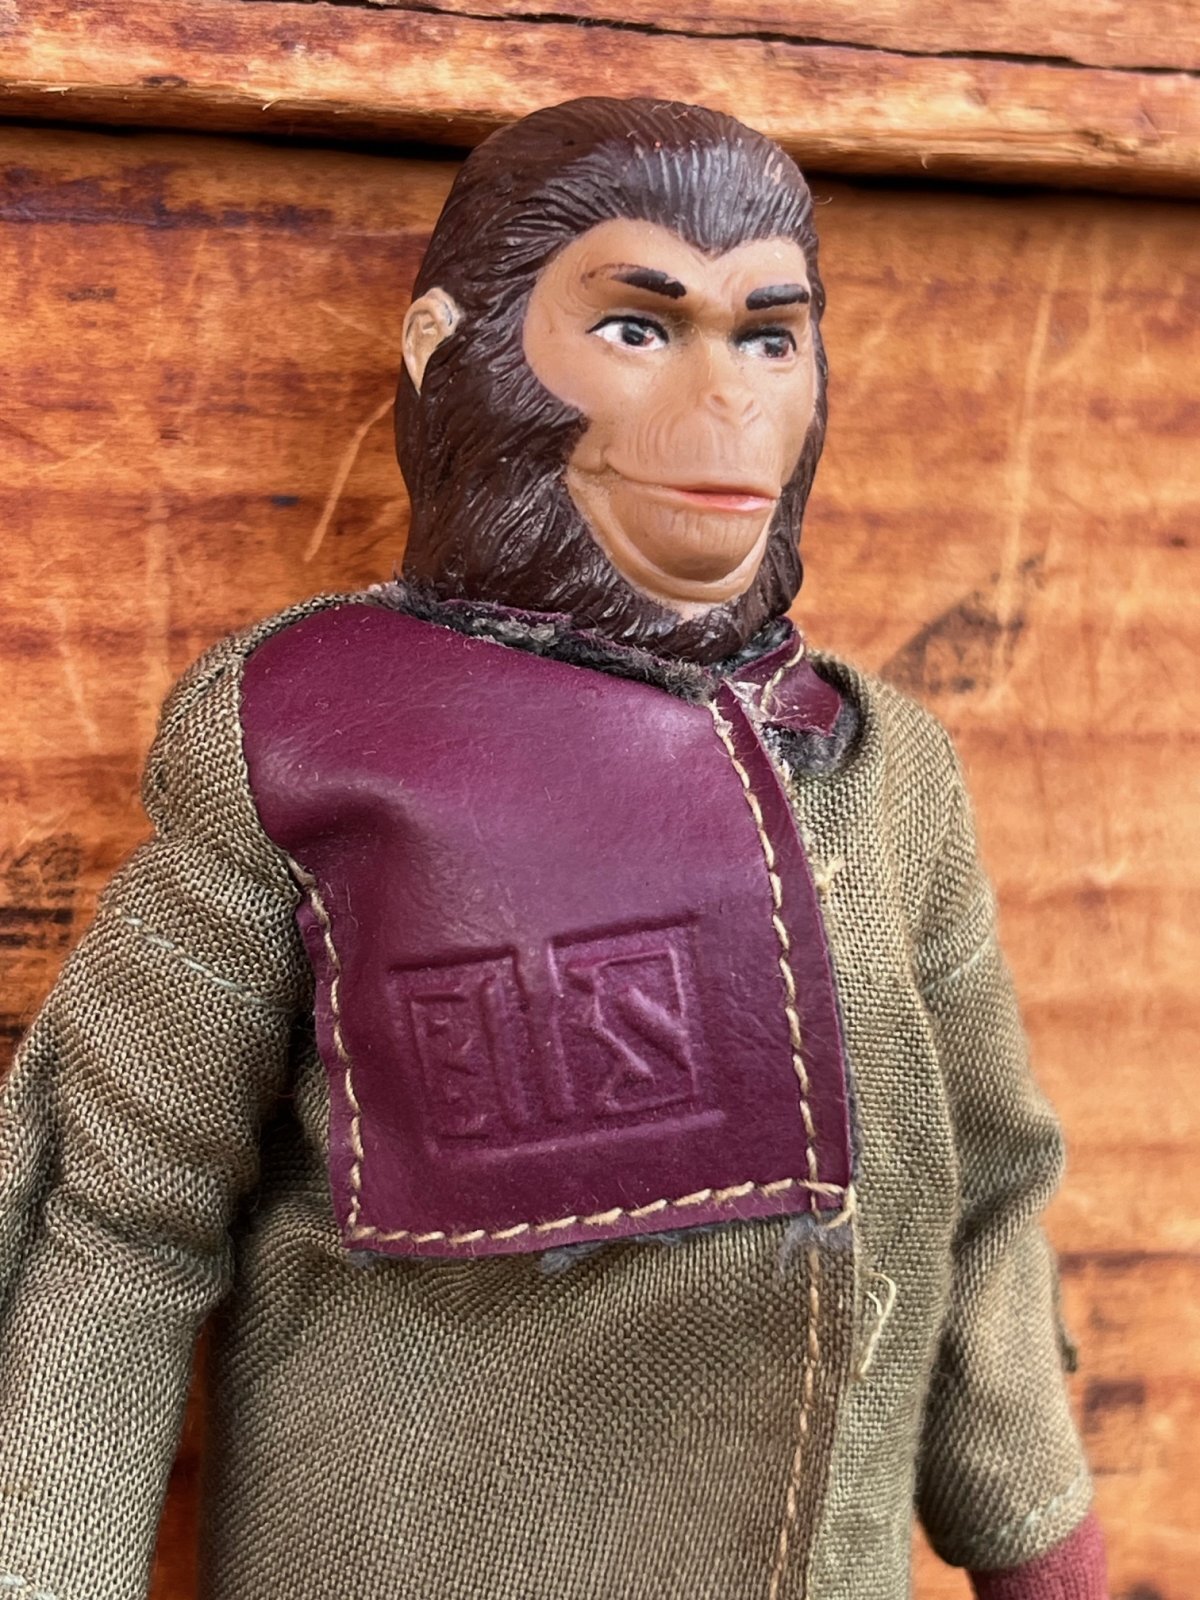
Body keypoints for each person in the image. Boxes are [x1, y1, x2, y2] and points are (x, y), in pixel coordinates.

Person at [0, 97, 1105, 1600]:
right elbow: (120, 1225)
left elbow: (981, 1196)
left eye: (769, 337)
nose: (725, 401)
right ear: (449, 351)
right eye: (639, 328)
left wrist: (1044, 1544)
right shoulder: (307, 739)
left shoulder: (879, 767)